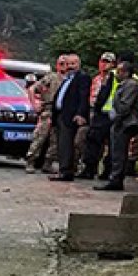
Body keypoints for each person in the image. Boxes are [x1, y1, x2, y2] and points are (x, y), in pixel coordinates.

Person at [97, 60, 138, 191]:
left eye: (119, 71)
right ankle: (115, 177)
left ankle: (116, 179)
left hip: (124, 123)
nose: (116, 74)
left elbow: (124, 106)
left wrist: (116, 114)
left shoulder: (131, 85)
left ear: (126, 72)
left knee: (119, 152)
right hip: (119, 122)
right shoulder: (123, 85)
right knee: (116, 151)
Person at [49, 53, 90, 182]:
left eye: (73, 64)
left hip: (71, 116)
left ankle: (66, 171)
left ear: (79, 64)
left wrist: (80, 114)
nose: (70, 66)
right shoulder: (67, 79)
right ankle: (63, 169)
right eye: (68, 64)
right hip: (61, 115)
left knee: (67, 144)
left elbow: (84, 97)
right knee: (61, 144)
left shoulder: (82, 78)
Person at [79, 52, 117, 179]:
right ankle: (90, 168)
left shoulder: (115, 78)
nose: (104, 64)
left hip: (109, 114)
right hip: (94, 112)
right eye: (102, 61)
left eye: (107, 62)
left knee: (109, 144)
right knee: (91, 141)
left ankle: (107, 170)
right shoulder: (96, 79)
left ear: (113, 64)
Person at [25, 56, 66, 174]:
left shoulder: (69, 79)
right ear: (57, 65)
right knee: (40, 137)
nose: (64, 66)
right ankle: (31, 161)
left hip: (61, 112)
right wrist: (34, 104)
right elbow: (32, 89)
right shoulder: (51, 77)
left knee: (56, 140)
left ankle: (48, 163)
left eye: (66, 64)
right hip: (48, 110)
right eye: (61, 64)